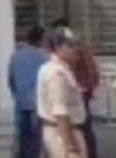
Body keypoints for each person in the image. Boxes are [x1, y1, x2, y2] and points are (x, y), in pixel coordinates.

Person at [48, 19, 100, 158]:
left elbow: (91, 71)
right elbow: (94, 72)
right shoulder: (79, 47)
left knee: (79, 126)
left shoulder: (72, 50)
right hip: (79, 91)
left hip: (76, 92)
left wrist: (83, 88)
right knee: (84, 127)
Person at [37, 26, 89, 157]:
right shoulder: (56, 73)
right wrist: (71, 145)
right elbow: (60, 112)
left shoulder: (60, 69)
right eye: (70, 45)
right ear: (58, 47)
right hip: (62, 132)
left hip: (64, 131)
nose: (75, 49)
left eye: (76, 44)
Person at [8, 26, 49, 158]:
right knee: (35, 138)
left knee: (22, 136)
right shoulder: (44, 58)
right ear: (41, 40)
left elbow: (11, 80)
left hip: (21, 100)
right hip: (37, 103)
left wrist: (16, 94)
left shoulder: (16, 56)